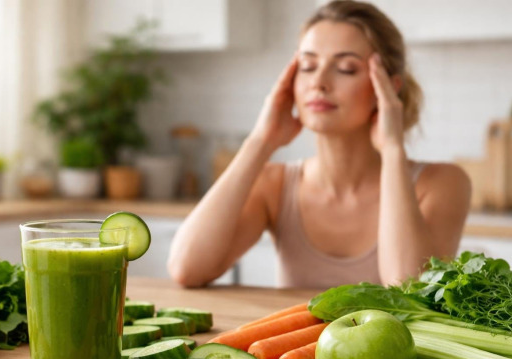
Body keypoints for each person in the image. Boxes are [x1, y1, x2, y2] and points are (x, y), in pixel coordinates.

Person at [167, 0, 471, 289]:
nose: (319, 82)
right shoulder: (273, 185)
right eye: (308, 66)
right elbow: (186, 268)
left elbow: (410, 289)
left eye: (346, 69)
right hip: (293, 347)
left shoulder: (442, 184)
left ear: (388, 88)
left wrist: (392, 150)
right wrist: (260, 141)